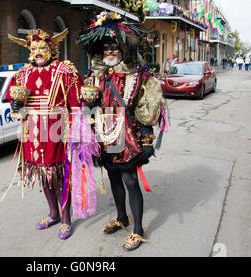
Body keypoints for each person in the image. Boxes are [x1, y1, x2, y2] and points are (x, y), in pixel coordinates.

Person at [78, 12, 168, 251]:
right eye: (106, 48)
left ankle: (138, 230)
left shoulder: (139, 74)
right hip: (104, 133)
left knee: (129, 179)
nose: (110, 51)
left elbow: (147, 107)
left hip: (127, 134)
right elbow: (90, 104)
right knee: (113, 177)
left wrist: (147, 136)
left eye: (114, 47)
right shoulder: (95, 74)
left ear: (123, 49)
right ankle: (121, 217)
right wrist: (87, 109)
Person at [5, 28, 83, 239]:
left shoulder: (65, 71)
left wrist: (74, 129)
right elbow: (15, 102)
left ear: (51, 48)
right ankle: (53, 214)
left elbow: (76, 103)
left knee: (58, 176)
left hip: (57, 134)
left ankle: (66, 219)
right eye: (34, 48)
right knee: (42, 176)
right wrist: (16, 106)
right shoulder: (23, 74)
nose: (38, 52)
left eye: (42, 48)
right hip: (32, 134)